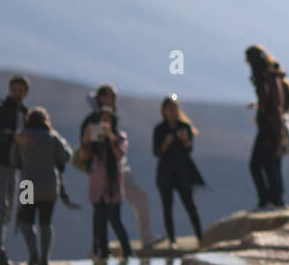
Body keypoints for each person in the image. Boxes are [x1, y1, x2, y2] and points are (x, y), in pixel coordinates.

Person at [80, 84, 153, 251]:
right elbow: (92, 151)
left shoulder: (109, 123)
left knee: (110, 215)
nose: (115, 100)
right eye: (112, 96)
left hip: (113, 171)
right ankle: (100, 247)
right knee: (103, 214)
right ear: (102, 97)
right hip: (103, 172)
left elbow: (116, 150)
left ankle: (104, 247)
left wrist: (110, 136)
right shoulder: (93, 121)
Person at [9, 107, 72, 265]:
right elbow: (66, 156)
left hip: (27, 183)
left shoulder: (22, 138)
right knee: (46, 221)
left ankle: (33, 254)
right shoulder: (52, 137)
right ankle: (45, 257)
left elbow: (14, 160)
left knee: (26, 221)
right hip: (48, 184)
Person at [0, 74, 30, 265]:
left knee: (8, 209)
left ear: (25, 93)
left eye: (21, 91)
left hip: (13, 165)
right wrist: (14, 137)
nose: (17, 94)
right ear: (10, 90)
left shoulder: (26, 113)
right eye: (15, 90)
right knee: (1, 206)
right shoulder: (1, 108)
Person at [81, 106, 133, 261]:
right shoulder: (95, 139)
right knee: (99, 221)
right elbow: (84, 156)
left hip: (112, 185)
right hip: (97, 185)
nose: (103, 124)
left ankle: (127, 252)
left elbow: (119, 154)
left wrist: (110, 136)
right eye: (101, 120)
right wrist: (86, 138)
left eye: (107, 120)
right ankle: (103, 253)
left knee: (115, 219)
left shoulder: (119, 137)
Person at [244, 45, 289, 210]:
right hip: (272, 128)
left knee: (262, 164)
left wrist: (277, 132)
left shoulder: (267, 78)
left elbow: (276, 106)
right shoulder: (273, 76)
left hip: (270, 130)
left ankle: (271, 201)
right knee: (271, 164)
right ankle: (275, 199)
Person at [153, 95, 205, 248]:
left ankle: (200, 237)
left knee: (190, 205)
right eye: (169, 108)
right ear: (164, 111)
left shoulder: (185, 127)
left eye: (175, 108)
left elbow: (189, 149)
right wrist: (166, 143)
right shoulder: (160, 129)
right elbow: (156, 152)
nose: (172, 111)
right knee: (167, 207)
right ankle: (171, 240)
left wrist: (184, 140)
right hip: (165, 173)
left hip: (182, 172)